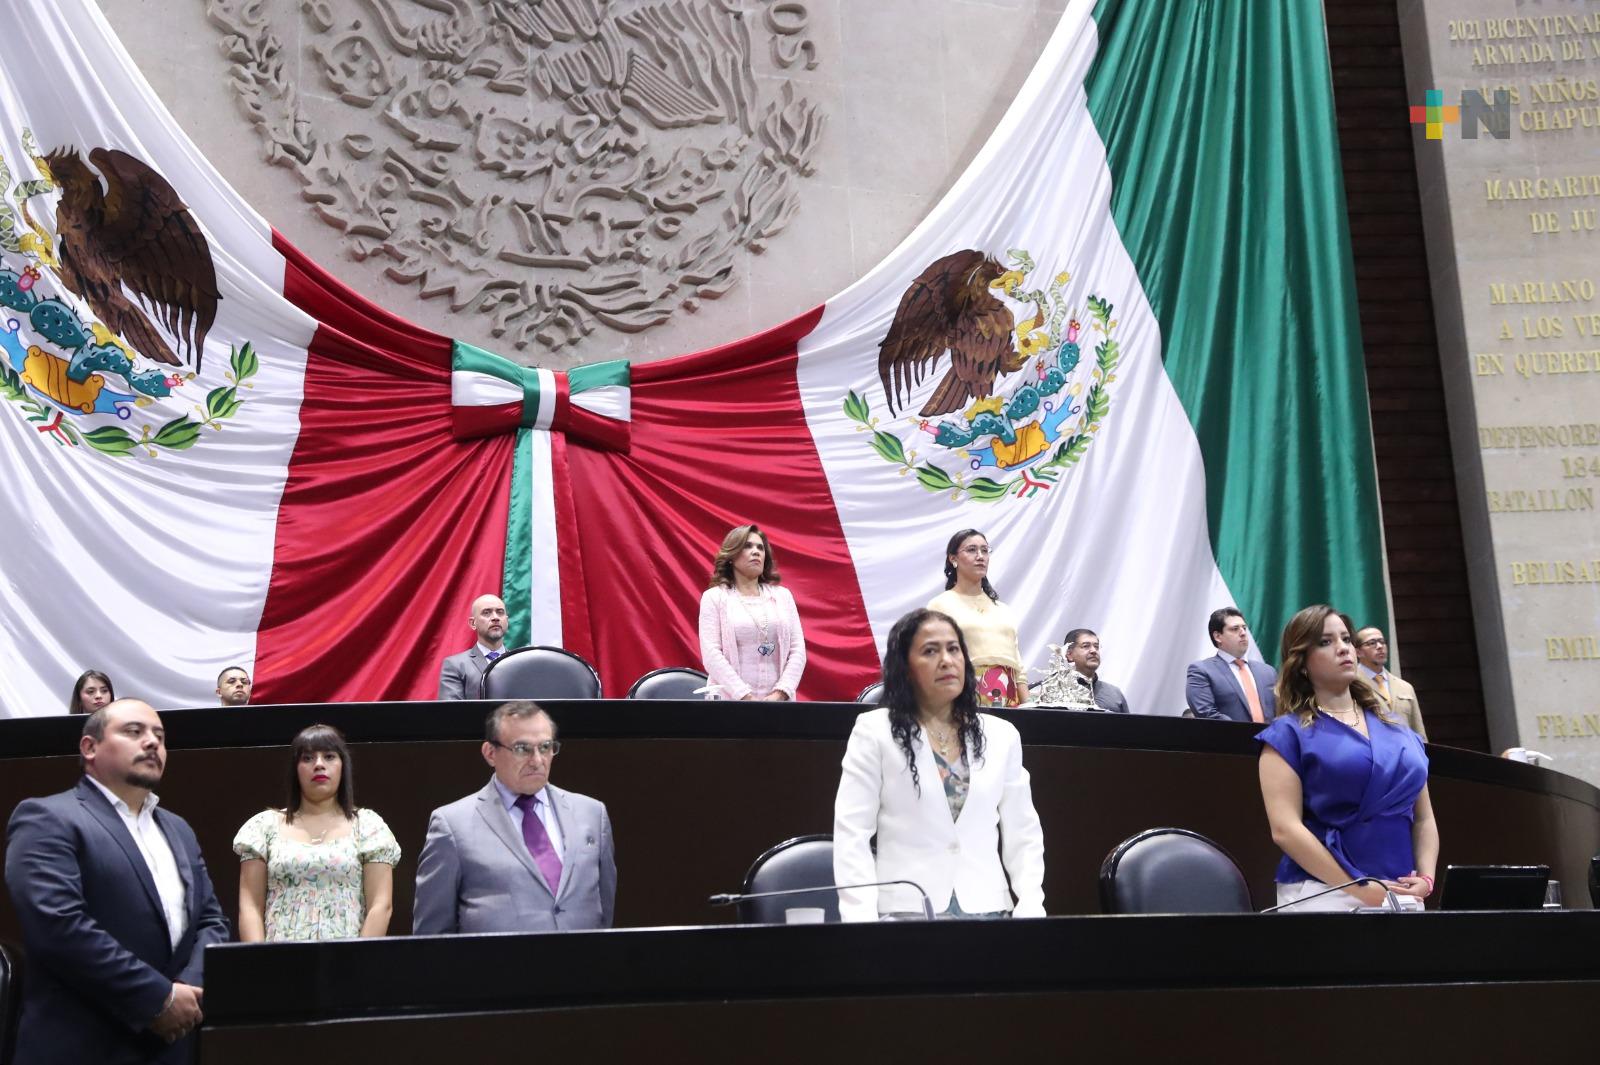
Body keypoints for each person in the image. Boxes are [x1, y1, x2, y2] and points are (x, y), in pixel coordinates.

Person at [4, 699, 230, 1065]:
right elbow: (59, 927)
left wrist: (188, 991)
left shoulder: (179, 830)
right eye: (134, 731)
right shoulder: (46, 818)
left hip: (173, 1046)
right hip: (83, 1045)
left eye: (160, 735)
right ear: (89, 747)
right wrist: (158, 999)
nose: (152, 743)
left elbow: (211, 921)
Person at [833, 608, 1045, 921]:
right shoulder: (874, 731)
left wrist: (1030, 905)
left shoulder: (1001, 735)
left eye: (954, 649)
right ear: (905, 667)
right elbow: (852, 834)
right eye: (930, 651)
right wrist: (861, 923)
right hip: (905, 915)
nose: (946, 660)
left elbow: (1023, 832)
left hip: (989, 913)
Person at [1257, 605, 1439, 912]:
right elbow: (1285, 829)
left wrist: (1426, 877)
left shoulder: (1398, 729)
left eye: (1346, 639)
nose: (1343, 648)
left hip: (1402, 891)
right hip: (1323, 893)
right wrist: (1358, 888)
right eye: (1326, 642)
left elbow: (1423, 817)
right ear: (1302, 663)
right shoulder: (1287, 734)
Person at [413, 701, 616, 933]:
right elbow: (431, 934)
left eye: (546, 747)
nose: (537, 760)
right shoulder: (452, 825)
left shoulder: (592, 813)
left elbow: (605, 910)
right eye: (522, 749)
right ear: (490, 753)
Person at [233, 724, 400, 942]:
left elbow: (381, 906)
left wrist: (358, 966)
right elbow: (250, 908)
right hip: (278, 965)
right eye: (308, 758)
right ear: (295, 769)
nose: (319, 764)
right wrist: (261, 966)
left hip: (347, 964)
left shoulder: (369, 826)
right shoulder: (263, 827)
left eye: (329, 756)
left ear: (343, 766)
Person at [697, 523, 806, 701]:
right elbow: (711, 655)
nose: (756, 551)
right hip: (730, 702)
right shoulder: (714, 597)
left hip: (779, 705)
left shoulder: (783, 596)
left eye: (760, 548)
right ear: (731, 556)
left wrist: (781, 693)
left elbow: (798, 651)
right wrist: (744, 697)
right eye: (748, 546)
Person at [927, 529, 1029, 706]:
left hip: (1010, 702)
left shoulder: (1003, 610)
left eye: (984, 550)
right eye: (972, 550)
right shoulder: (939, 606)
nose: (980, 556)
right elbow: (932, 661)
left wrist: (1028, 707)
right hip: (960, 700)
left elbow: (1018, 667)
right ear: (953, 559)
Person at [1186, 607, 1277, 722]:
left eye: (1244, 628)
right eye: (1235, 629)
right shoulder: (1201, 671)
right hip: (1230, 738)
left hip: (1270, 739)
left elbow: (1281, 710)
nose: (1243, 633)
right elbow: (1206, 713)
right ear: (1218, 636)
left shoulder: (1268, 672)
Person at [1354, 626, 1427, 740]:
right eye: (1372, 643)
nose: (1379, 646)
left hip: (1407, 755)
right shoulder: (1351, 684)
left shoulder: (1405, 687)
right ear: (1358, 652)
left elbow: (1419, 733)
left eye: (1382, 642)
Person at [437, 594, 510, 700]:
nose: (495, 617)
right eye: (486, 612)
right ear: (473, 623)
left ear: (507, 621)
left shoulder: (520, 663)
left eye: (500, 612)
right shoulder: (455, 665)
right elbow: (450, 712)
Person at [1061, 628, 1130, 713]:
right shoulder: (1049, 691)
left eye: (1096, 647)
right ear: (1069, 655)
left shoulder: (1114, 694)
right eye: (1086, 646)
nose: (1094, 651)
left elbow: (1128, 726)